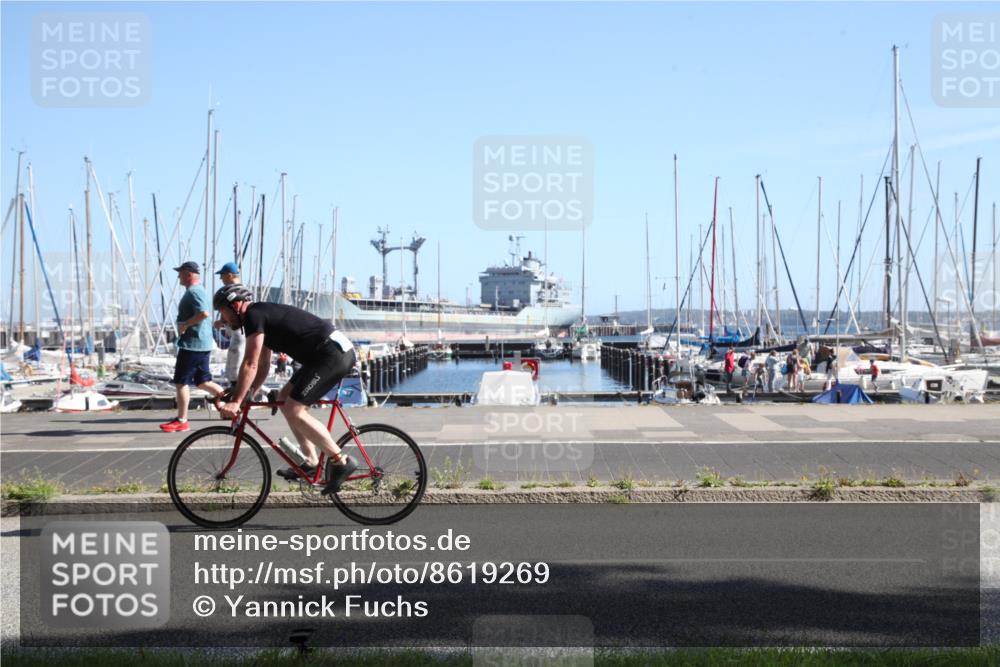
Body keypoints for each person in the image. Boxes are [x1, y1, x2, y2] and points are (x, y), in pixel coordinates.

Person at [213, 284, 358, 495]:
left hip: (331, 354)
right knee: (284, 398)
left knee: (294, 408)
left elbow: (249, 364)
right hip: (320, 356)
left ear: (235, 305)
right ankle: (311, 460)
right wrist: (248, 393)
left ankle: (340, 460)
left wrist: (236, 401)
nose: (222, 317)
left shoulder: (254, 315)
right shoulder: (259, 317)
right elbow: (262, 365)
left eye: (223, 311)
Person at [160, 262, 224, 432]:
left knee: (181, 382)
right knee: (203, 382)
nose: (178, 277)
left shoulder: (194, 291)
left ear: (188, 274)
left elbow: (204, 313)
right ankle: (231, 403)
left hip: (193, 344)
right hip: (200, 343)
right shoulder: (198, 291)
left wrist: (186, 324)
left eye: (180, 273)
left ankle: (182, 420)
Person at [213, 262, 245, 388]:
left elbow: (236, 314)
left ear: (230, 275)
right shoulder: (244, 291)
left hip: (239, 334)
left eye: (222, 275)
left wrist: (222, 322)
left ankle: (237, 401)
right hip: (241, 334)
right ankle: (267, 392)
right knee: (234, 371)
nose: (220, 278)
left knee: (234, 372)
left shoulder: (233, 292)